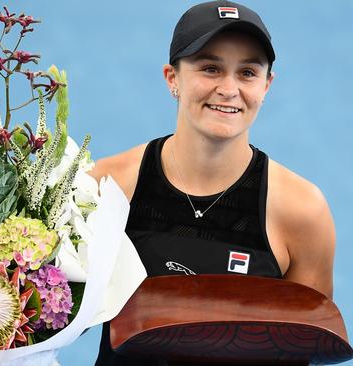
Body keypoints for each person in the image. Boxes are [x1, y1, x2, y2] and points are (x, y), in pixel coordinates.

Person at [88, 1, 336, 365]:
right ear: (172, 78)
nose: (229, 88)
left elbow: (306, 345)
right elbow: (50, 313)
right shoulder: (106, 186)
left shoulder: (302, 210)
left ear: (267, 85)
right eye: (210, 68)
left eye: (248, 72)